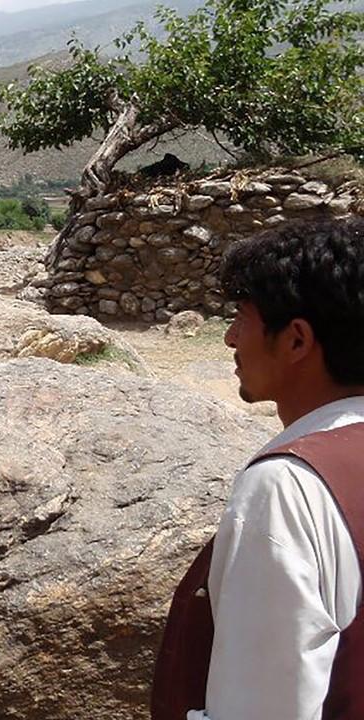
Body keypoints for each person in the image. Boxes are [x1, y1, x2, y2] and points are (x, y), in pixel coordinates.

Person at [152, 216, 364, 719]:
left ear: (295, 340)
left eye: (241, 317)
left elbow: (263, 706)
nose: (228, 338)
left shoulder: (287, 488)